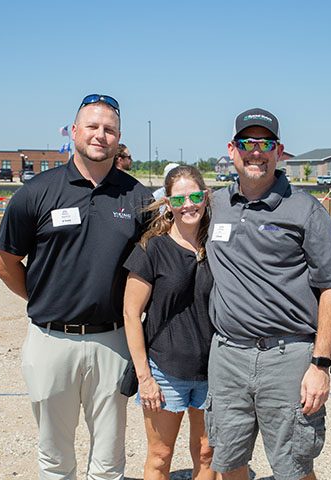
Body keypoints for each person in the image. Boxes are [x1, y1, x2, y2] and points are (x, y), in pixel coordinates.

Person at [0, 93, 153, 479]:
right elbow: (3, 262)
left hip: (112, 342)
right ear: (75, 131)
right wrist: (42, 296)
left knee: (109, 459)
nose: (101, 135)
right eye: (93, 127)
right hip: (51, 342)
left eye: (109, 129)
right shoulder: (37, 192)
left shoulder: (138, 198)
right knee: (54, 457)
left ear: (119, 138)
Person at [206, 108, 331, 480]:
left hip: (288, 357)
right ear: (232, 150)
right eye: (247, 143)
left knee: (294, 466)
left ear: (279, 150)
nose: (256, 151)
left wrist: (320, 364)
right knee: (228, 460)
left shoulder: (306, 210)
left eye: (265, 143)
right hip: (228, 355)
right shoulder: (213, 205)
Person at [123, 165, 216, 480]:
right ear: (167, 204)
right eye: (179, 200)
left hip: (213, 371)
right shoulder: (152, 248)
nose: (188, 205)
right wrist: (145, 377)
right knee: (161, 457)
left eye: (194, 197)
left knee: (207, 454)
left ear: (205, 198)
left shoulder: (219, 246)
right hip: (166, 372)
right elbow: (131, 314)